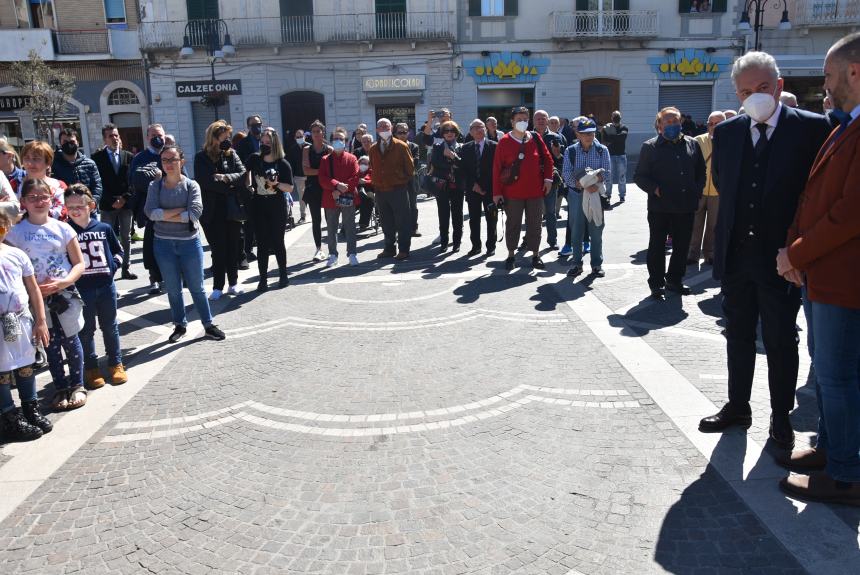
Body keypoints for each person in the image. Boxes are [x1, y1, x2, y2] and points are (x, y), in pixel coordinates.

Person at [698, 51, 831, 451]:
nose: (754, 96)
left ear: (779, 86)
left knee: (779, 339)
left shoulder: (812, 129)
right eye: (745, 91)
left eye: (762, 88)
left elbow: (819, 194)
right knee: (736, 334)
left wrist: (800, 251)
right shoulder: (728, 133)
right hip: (737, 255)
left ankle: (779, 417)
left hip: (783, 260)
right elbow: (725, 184)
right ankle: (738, 406)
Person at [776, 32, 860, 505]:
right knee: (833, 373)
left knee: (840, 376)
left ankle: (847, 473)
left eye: (828, 75)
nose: (823, 86)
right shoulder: (845, 125)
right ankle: (832, 450)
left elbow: (848, 213)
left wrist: (797, 254)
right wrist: (796, 250)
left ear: (854, 71)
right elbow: (815, 198)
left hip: (844, 277)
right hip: (825, 275)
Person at [8, 178, 86, 412]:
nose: (39, 202)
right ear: (23, 202)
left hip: (65, 295)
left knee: (71, 340)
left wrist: (65, 281)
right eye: (32, 198)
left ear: (51, 199)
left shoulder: (62, 228)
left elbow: (79, 263)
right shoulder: (16, 233)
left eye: (43, 197)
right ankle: (61, 387)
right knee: (49, 343)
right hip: (38, 299)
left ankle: (78, 385)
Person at [145, 145, 225, 343]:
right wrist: (180, 211)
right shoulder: (154, 186)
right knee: (173, 289)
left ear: (182, 161)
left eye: (173, 159)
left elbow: (194, 214)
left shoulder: (192, 186)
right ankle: (180, 325)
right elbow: (150, 213)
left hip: (189, 244)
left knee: (197, 287)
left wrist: (164, 215)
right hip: (163, 245)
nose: (168, 164)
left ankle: (208, 324)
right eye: (164, 160)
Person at [633, 107, 706, 300]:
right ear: (660, 125)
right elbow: (640, 176)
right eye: (668, 122)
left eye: (676, 121)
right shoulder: (650, 147)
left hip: (686, 205)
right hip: (660, 207)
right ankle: (656, 284)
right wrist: (655, 189)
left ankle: (674, 280)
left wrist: (697, 190)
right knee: (657, 246)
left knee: (682, 247)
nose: (673, 125)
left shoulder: (692, 144)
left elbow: (701, 171)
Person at [64, 184, 127, 389]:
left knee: (110, 326)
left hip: (106, 286)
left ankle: (115, 362)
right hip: (82, 290)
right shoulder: (65, 231)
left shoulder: (104, 228)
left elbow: (119, 251)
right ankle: (91, 367)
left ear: (91, 205)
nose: (75, 210)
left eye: (80, 205)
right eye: (70, 206)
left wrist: (113, 266)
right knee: (86, 329)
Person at [0, 204, 52, 441]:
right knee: (2, 370)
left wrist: (40, 321)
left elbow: (33, 290)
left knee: (25, 364)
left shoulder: (16, 254)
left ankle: (31, 408)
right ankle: (9, 416)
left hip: (21, 321)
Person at [492, 106, 554, 271]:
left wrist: (548, 179)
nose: (522, 122)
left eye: (525, 119)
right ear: (512, 122)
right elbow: (496, 169)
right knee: (513, 224)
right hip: (512, 193)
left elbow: (548, 160)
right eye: (519, 119)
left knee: (535, 224)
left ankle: (535, 255)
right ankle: (511, 255)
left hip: (535, 192)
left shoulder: (535, 138)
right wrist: (497, 193)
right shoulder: (504, 141)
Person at [194, 121, 247, 300]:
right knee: (218, 249)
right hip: (212, 210)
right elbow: (206, 182)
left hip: (232, 208)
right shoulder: (201, 157)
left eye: (228, 136)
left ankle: (233, 283)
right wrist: (230, 186)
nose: (228, 140)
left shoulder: (232, 155)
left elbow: (243, 174)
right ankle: (218, 286)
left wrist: (225, 177)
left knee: (233, 246)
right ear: (214, 138)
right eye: (224, 137)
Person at [244, 128, 293, 292]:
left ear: (274, 144)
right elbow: (244, 173)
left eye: (268, 143)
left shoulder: (282, 163)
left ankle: (283, 275)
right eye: (262, 142)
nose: (264, 145)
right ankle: (263, 279)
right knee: (262, 244)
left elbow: (290, 188)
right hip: (259, 205)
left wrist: (276, 184)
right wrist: (248, 186)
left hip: (277, 205)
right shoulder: (255, 159)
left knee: (278, 242)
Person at [563, 118, 610, 278]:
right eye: (585, 134)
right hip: (577, 195)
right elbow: (567, 174)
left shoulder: (602, 150)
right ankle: (576, 264)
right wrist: (584, 185)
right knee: (576, 231)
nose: (589, 136)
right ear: (578, 134)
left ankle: (597, 265)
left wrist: (593, 185)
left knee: (596, 230)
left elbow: (608, 173)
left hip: (596, 195)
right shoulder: (571, 150)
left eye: (592, 133)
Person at [92, 123, 136, 280]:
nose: (115, 138)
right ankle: (109, 269)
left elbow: (133, 181)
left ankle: (126, 268)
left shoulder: (128, 156)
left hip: (125, 204)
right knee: (107, 237)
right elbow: (97, 183)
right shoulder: (97, 158)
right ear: (105, 139)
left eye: (116, 135)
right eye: (111, 136)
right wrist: (111, 200)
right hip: (107, 205)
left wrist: (124, 198)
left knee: (126, 237)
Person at [369, 118, 414, 260]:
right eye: (381, 127)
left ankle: (404, 250)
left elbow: (410, 169)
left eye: (386, 126)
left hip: (398, 189)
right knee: (386, 222)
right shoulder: (373, 148)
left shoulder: (401, 146)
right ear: (377, 130)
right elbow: (372, 166)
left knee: (402, 222)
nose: (384, 129)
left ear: (391, 128)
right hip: (381, 190)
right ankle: (389, 249)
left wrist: (399, 180)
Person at [130, 123, 166, 294]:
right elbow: (137, 181)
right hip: (151, 209)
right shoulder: (140, 158)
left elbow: (182, 177)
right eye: (153, 135)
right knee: (152, 246)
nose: (157, 138)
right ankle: (154, 278)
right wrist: (158, 181)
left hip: (171, 207)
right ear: (147, 138)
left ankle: (170, 276)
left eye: (160, 135)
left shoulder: (170, 155)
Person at [687, 111, 725, 267]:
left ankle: (710, 254)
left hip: (718, 192)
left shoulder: (730, 141)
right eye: (711, 123)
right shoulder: (697, 141)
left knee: (714, 225)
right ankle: (692, 254)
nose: (714, 127)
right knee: (695, 224)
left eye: (718, 123)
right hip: (699, 191)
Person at [319, 127, 360, 267]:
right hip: (331, 197)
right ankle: (333, 255)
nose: (338, 141)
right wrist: (336, 186)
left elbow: (355, 177)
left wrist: (341, 190)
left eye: (341, 139)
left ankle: (352, 253)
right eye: (335, 139)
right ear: (331, 141)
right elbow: (322, 178)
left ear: (346, 141)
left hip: (347, 197)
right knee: (331, 228)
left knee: (350, 227)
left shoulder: (352, 158)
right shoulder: (325, 159)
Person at [460, 119, 498, 256]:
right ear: (470, 132)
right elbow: (463, 170)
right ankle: (476, 246)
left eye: (481, 127)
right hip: (473, 190)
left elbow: (497, 169)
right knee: (474, 219)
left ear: (485, 129)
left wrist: (485, 187)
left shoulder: (494, 146)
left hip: (490, 190)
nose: (478, 130)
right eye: (475, 128)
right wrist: (473, 185)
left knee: (492, 219)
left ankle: (491, 246)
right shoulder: (465, 148)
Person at [429, 120, 465, 252]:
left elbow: (463, 165)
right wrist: (451, 164)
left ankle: (456, 242)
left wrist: (452, 156)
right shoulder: (438, 146)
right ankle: (444, 242)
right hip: (442, 185)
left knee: (457, 215)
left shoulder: (461, 146)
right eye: (446, 131)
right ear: (443, 133)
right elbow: (435, 163)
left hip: (457, 186)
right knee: (443, 214)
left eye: (452, 131)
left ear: (456, 133)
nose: (449, 133)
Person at [533, 109, 566, 249]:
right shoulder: (527, 137)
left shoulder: (557, 137)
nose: (541, 121)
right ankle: (530, 240)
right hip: (531, 181)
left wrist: (557, 155)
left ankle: (552, 240)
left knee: (551, 213)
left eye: (543, 118)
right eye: (538, 118)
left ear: (547, 121)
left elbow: (563, 161)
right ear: (533, 121)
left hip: (550, 181)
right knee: (532, 213)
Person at [302, 120, 332, 262]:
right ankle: (318, 249)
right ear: (311, 134)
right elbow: (306, 170)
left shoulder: (329, 150)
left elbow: (332, 172)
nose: (316, 134)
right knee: (316, 220)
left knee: (330, 219)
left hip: (327, 188)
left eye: (318, 131)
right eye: (313, 132)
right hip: (313, 188)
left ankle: (332, 248)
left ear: (323, 132)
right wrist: (322, 172)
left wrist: (320, 173)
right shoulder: (307, 150)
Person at [236, 115, 264, 266]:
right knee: (250, 221)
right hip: (250, 186)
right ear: (248, 127)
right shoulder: (244, 144)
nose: (256, 127)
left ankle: (264, 245)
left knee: (263, 219)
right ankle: (248, 250)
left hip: (266, 185)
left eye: (258, 124)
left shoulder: (265, 140)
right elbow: (242, 166)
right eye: (253, 125)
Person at [51, 128, 103, 208]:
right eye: (65, 142)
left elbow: (97, 185)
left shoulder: (90, 164)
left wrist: (94, 201)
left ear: (78, 143)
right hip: (65, 210)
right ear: (60, 143)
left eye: (72, 142)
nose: (69, 144)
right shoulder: (53, 165)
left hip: (87, 209)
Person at [20, 141, 66, 220]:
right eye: (26, 158)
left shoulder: (59, 186)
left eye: (36, 159)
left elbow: (61, 213)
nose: (30, 163)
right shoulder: (15, 185)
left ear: (48, 162)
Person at [395, 122, 421, 237]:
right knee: (399, 206)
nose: (402, 134)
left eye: (404, 132)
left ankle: (413, 228)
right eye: (400, 132)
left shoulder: (414, 146)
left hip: (411, 179)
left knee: (412, 205)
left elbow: (415, 162)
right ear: (396, 133)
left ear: (408, 133)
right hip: (396, 180)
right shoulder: (392, 146)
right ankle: (401, 228)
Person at [600, 111, 629, 204]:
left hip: (621, 155)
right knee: (609, 177)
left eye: (617, 116)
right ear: (611, 117)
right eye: (614, 116)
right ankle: (608, 195)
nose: (616, 117)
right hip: (610, 155)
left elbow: (622, 137)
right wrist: (614, 138)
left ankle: (622, 195)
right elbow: (604, 140)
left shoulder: (624, 127)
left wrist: (611, 137)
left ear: (620, 117)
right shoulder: (606, 128)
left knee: (622, 176)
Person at [286, 129, 307, 223]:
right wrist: (291, 176)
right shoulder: (292, 149)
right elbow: (291, 164)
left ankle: (315, 214)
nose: (299, 138)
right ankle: (303, 216)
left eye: (301, 136)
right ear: (295, 138)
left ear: (304, 137)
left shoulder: (309, 147)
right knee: (301, 196)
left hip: (310, 175)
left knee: (314, 196)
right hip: (298, 176)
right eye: (297, 137)